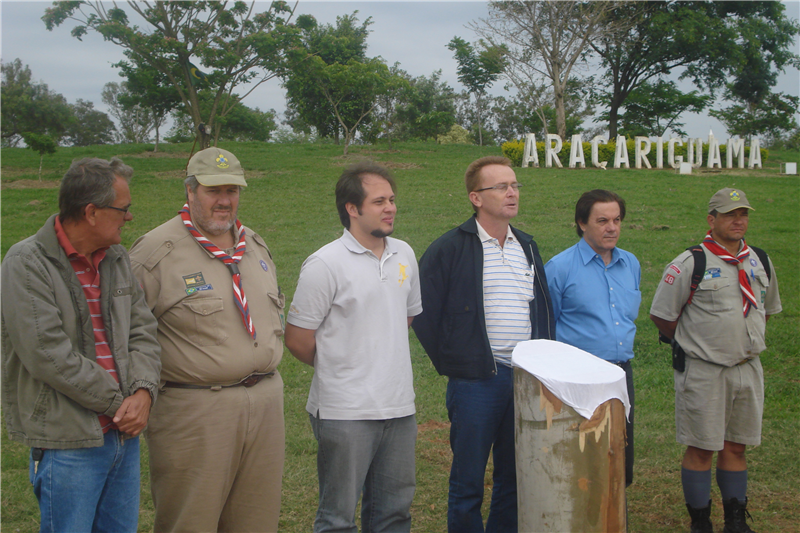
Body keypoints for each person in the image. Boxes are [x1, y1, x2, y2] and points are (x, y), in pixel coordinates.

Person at [0, 157, 161, 533]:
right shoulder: (26, 263)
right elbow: (47, 354)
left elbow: (143, 329)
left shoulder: (117, 258)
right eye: (124, 209)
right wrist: (120, 403)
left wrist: (143, 392)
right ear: (91, 212)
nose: (129, 218)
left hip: (123, 433)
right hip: (67, 441)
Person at [129, 148, 286, 532]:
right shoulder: (155, 253)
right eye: (213, 190)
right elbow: (125, 334)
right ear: (190, 190)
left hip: (264, 404)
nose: (225, 201)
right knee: (191, 521)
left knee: (257, 521)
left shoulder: (255, 246)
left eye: (232, 190)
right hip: (197, 411)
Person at [412, 155, 555, 533]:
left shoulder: (527, 245)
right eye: (501, 187)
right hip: (476, 381)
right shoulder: (451, 247)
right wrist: (456, 360)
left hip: (525, 380)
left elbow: (542, 307)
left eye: (515, 185)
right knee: (469, 480)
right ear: (476, 197)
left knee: (514, 476)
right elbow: (421, 311)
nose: (512, 193)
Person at [284, 161, 422, 533]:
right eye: (379, 201)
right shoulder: (325, 264)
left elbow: (405, 317)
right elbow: (297, 339)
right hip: (344, 411)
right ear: (352, 208)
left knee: (394, 514)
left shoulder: (405, 254)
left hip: (399, 406)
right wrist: (343, 364)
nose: (390, 207)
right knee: (337, 518)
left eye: (392, 199)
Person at [650, 188, 782, 533]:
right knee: (702, 447)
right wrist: (700, 343)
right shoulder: (691, 262)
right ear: (712, 220)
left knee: (737, 446)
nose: (738, 221)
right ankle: (701, 522)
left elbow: (764, 311)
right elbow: (664, 316)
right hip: (705, 371)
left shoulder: (760, 260)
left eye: (743, 214)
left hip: (747, 369)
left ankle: (735, 520)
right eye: (729, 215)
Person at [544, 189, 640, 489]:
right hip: (578, 378)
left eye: (616, 220)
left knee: (620, 455)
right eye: (602, 221)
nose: (612, 227)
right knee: (581, 458)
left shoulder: (631, 264)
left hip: (620, 374)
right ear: (582, 223)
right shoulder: (559, 268)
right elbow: (547, 327)